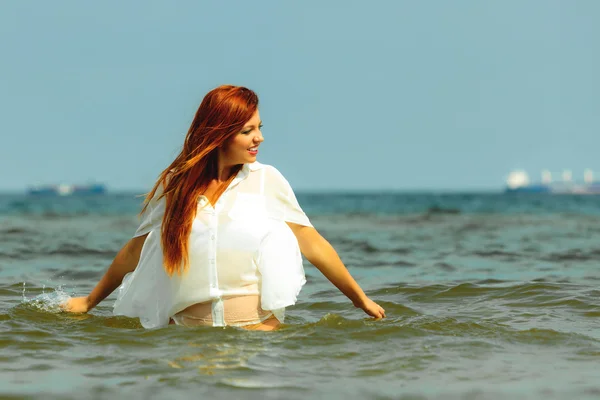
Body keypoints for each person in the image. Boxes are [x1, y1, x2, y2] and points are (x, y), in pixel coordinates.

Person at [63, 85, 386, 331]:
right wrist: (90, 302)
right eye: (247, 131)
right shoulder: (176, 186)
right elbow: (136, 251)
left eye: (259, 128)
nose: (258, 138)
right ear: (218, 134)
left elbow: (313, 244)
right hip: (187, 341)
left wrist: (359, 299)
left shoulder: (266, 180)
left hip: (256, 336)